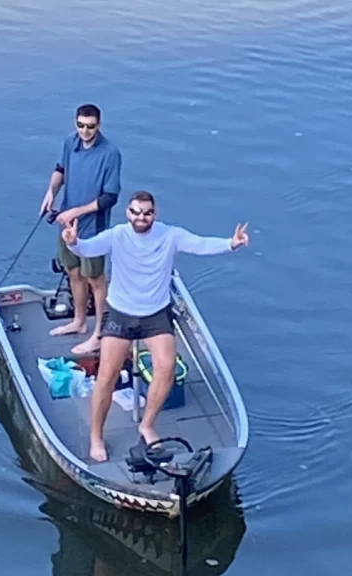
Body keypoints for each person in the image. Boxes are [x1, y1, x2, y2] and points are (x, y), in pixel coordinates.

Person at [61, 190, 250, 462]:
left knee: (167, 366)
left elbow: (199, 244)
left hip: (155, 315)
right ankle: (96, 436)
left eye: (147, 213)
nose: (141, 217)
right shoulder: (117, 235)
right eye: (136, 212)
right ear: (128, 213)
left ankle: (147, 425)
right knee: (106, 376)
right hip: (121, 314)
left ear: (155, 213)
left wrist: (231, 243)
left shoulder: (169, 235)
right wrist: (73, 243)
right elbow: (88, 248)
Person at [40, 103, 122, 355]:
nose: (85, 131)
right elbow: (60, 169)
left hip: (92, 229)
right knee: (72, 272)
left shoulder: (110, 153)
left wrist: (77, 212)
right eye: (80, 125)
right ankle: (77, 321)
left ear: (99, 125)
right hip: (67, 225)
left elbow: (110, 197)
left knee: (95, 280)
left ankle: (99, 333)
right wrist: (50, 192)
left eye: (90, 127)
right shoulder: (69, 143)